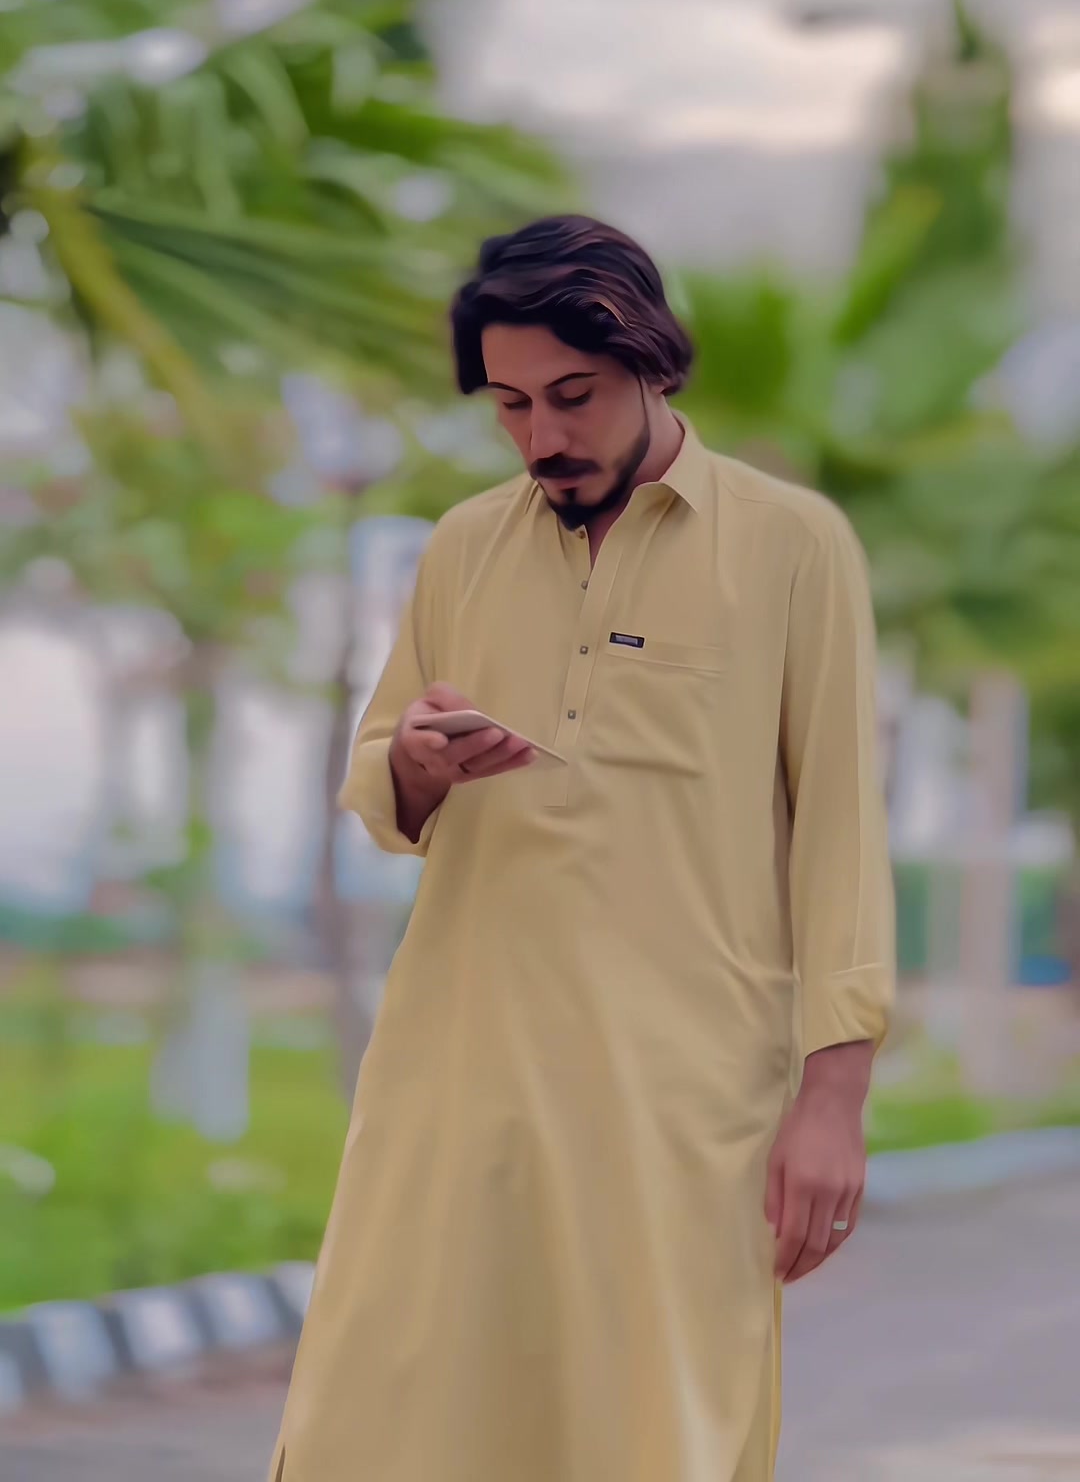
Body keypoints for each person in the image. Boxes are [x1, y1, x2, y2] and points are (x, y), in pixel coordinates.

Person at [268, 215, 895, 1482]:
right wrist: (421, 763)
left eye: (574, 396)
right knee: (387, 1421)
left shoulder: (790, 546)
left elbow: (839, 830)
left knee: (652, 1428)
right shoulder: (463, 545)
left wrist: (833, 1099)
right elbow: (383, 779)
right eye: (510, 405)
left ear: (651, 364)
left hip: (679, 1094)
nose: (542, 436)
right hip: (457, 1072)